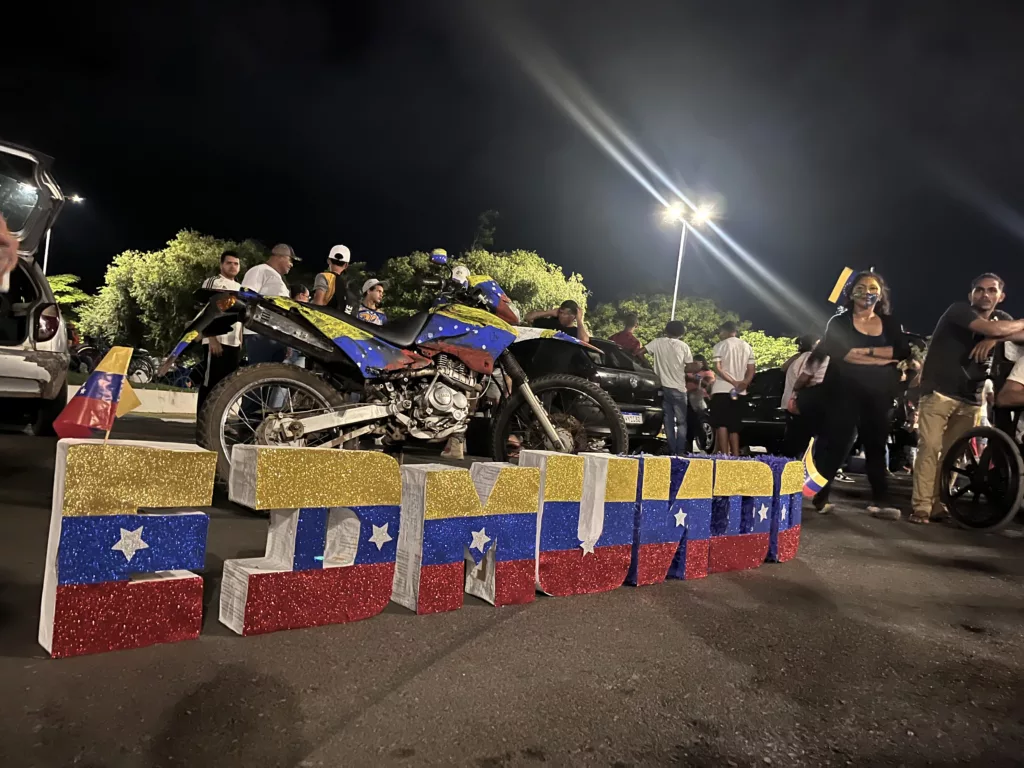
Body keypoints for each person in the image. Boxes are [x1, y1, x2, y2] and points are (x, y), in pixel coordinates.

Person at [911, 273, 1024, 523]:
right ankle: (921, 506)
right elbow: (994, 328)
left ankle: (938, 504)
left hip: (971, 398)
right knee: (930, 448)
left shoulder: (1002, 319)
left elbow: (1012, 332)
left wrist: (995, 339)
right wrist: (998, 333)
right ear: (971, 295)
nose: (985, 295)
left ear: (1001, 296)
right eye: (980, 290)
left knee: (953, 454)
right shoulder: (959, 311)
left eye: (992, 290)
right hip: (939, 391)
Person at [808, 271, 909, 517]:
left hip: (879, 394)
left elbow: (901, 351)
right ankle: (819, 496)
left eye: (873, 287)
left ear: (881, 293)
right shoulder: (839, 322)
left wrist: (863, 354)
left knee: (876, 444)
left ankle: (881, 501)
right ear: (851, 292)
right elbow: (842, 353)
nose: (867, 292)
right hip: (844, 392)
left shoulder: (890, 323)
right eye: (861, 287)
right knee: (837, 444)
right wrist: (882, 355)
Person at [640, 320, 697, 455]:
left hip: (662, 386)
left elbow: (639, 352)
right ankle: (681, 451)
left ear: (666, 330)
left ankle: (672, 450)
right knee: (682, 422)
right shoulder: (683, 346)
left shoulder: (657, 342)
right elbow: (688, 367)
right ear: (681, 333)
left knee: (668, 421)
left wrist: (648, 366)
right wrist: (696, 366)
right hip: (678, 387)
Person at [197, 250, 243, 411]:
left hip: (234, 343)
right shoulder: (213, 282)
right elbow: (205, 312)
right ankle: (203, 421)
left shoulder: (240, 288)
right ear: (221, 265)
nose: (232, 266)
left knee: (226, 387)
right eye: (229, 263)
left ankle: (218, 422)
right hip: (217, 341)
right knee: (210, 384)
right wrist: (212, 338)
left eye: (236, 263)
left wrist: (241, 342)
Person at [240, 243, 298, 364]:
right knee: (259, 376)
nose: (291, 265)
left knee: (274, 377)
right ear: (280, 256)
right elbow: (245, 298)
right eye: (290, 260)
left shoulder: (279, 279)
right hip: (259, 333)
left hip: (276, 335)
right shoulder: (259, 270)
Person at [709, 321, 756, 455]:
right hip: (740, 391)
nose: (719, 335)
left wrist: (733, 382)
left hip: (722, 389)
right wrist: (744, 383)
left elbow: (717, 368)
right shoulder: (747, 346)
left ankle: (724, 454)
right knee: (734, 425)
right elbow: (751, 369)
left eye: (720, 332)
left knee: (721, 423)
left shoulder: (720, 346)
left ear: (725, 331)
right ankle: (736, 454)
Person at [781, 334, 828, 458]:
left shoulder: (797, 358)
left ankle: (791, 462)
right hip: (801, 402)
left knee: (793, 436)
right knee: (804, 438)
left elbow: (783, 368)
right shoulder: (811, 358)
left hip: (791, 401)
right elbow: (802, 379)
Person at [525, 300, 590, 343]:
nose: (561, 316)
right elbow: (528, 317)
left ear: (573, 316)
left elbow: (584, 340)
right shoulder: (551, 322)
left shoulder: (575, 332)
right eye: (560, 312)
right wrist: (549, 312)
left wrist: (579, 320)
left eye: (564, 314)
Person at [312, 244, 352, 311]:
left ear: (328, 260)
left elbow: (317, 305)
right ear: (346, 265)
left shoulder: (323, 277)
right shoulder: (347, 285)